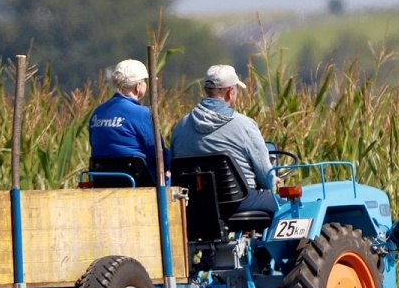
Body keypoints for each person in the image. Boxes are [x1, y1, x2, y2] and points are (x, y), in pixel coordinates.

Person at [170, 64, 278, 214]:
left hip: (196, 206)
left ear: (206, 90)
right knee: (287, 207)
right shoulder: (245, 125)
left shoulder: (180, 127)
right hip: (238, 202)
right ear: (230, 91)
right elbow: (266, 180)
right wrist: (273, 179)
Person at [88, 59, 170, 185]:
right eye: (144, 82)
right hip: (138, 182)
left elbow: (94, 144)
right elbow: (158, 154)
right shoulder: (142, 113)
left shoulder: (98, 112)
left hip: (102, 181)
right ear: (138, 86)